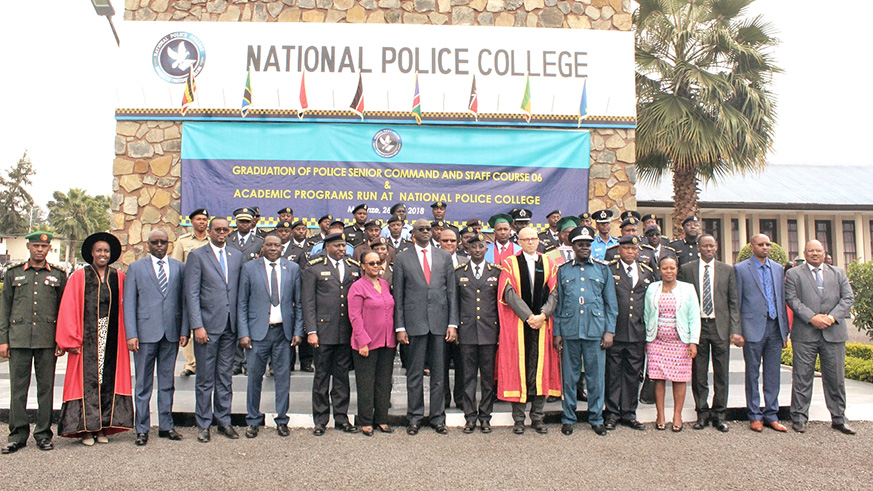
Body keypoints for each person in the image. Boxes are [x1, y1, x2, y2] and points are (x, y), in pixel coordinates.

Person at [56, 232, 133, 445]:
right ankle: (86, 429)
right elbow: (68, 308)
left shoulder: (119, 277)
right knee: (87, 383)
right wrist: (70, 339)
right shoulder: (79, 277)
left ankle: (103, 428)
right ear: (91, 253)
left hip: (111, 338)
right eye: (98, 250)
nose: (102, 254)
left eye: (106, 251)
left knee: (106, 381)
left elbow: (128, 308)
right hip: (86, 339)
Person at [0, 231, 67, 454]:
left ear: (49, 250)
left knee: (46, 389)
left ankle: (43, 434)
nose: (40, 250)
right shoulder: (13, 274)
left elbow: (63, 310)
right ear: (29, 247)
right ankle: (17, 435)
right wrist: (3, 340)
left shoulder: (58, 275)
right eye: (36, 246)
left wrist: (61, 340)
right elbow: (4, 309)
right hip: (18, 339)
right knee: (18, 389)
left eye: (44, 247)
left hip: (47, 340)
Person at [393, 218, 459, 435]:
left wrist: (452, 323)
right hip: (414, 324)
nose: (425, 232)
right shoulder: (402, 258)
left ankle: (438, 418)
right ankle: (414, 417)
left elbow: (451, 292)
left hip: (439, 323)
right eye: (420, 229)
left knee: (439, 374)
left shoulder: (444, 256)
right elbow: (399, 295)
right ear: (413, 233)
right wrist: (400, 327)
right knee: (414, 374)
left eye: (428, 229)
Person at [785, 240, 856, 434]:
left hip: (834, 333)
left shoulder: (838, 273)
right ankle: (799, 417)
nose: (815, 253)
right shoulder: (793, 274)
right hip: (805, 334)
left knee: (836, 378)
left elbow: (848, 298)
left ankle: (839, 418)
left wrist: (832, 317)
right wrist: (812, 318)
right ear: (804, 253)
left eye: (818, 250)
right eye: (811, 251)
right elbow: (792, 299)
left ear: (824, 253)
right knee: (802, 377)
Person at [123, 229, 187, 446]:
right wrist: (131, 334)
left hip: (170, 332)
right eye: (155, 242)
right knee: (143, 384)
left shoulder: (179, 268)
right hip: (144, 334)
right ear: (148, 244)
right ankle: (141, 428)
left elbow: (184, 301)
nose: (159, 245)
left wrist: (183, 330)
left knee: (167, 382)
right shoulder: (136, 268)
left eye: (163, 242)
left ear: (168, 244)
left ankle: (166, 425)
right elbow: (129, 303)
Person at [496, 227, 561, 435]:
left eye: (534, 239)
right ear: (520, 242)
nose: (531, 242)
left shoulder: (549, 263)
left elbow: (555, 293)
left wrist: (542, 315)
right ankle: (518, 419)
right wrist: (528, 317)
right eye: (526, 239)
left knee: (541, 370)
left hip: (542, 325)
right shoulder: (510, 263)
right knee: (520, 369)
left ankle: (538, 417)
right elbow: (508, 292)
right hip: (519, 325)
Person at [238, 234, 304, 438]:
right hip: (257, 334)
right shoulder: (250, 268)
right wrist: (244, 332)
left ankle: (282, 420)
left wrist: (297, 331)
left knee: (283, 378)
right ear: (263, 247)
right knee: (254, 378)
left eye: (277, 245)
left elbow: (299, 303)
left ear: (282, 248)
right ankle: (253, 420)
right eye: (269, 245)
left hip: (283, 333)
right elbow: (242, 303)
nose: (273, 248)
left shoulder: (292, 269)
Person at [553, 226, 618, 436]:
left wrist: (609, 331)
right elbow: (559, 304)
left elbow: (611, 304)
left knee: (595, 378)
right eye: (580, 244)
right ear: (573, 247)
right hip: (571, 330)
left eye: (588, 244)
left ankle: (596, 418)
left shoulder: (602, 269)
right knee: (570, 378)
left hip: (595, 331)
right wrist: (558, 332)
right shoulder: (563, 270)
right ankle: (568, 418)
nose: (584, 248)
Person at [184, 217, 243, 442]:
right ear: (209, 231)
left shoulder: (236, 256)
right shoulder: (197, 256)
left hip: (230, 326)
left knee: (225, 377)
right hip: (207, 328)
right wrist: (197, 325)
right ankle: (203, 424)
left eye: (225, 230)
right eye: (217, 229)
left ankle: (224, 421)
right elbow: (191, 294)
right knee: (205, 378)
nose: (221, 233)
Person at [678, 234, 740, 432]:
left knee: (721, 373)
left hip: (720, 327)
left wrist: (735, 330)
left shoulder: (727, 270)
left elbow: (733, 302)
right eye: (704, 246)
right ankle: (702, 413)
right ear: (698, 247)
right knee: (699, 373)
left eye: (711, 246)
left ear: (717, 247)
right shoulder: (687, 270)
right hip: (697, 328)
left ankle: (719, 414)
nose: (708, 249)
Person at [303, 233, 361, 436]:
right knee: (321, 377)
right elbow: (308, 302)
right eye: (337, 245)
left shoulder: (354, 267)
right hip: (323, 331)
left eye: (344, 245)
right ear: (327, 246)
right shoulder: (314, 267)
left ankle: (341, 417)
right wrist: (311, 331)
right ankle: (320, 420)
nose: (341, 249)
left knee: (342, 377)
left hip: (345, 331)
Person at [734, 234, 789, 432]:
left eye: (767, 244)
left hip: (775, 328)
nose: (765, 247)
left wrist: (784, 331)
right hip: (752, 328)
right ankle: (754, 414)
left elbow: (780, 300)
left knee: (773, 373)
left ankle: (771, 414)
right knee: (752, 373)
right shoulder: (741, 269)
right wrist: (737, 331)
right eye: (761, 244)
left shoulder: (776, 268)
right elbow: (737, 302)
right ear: (752, 246)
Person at [604, 235, 655, 431]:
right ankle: (612, 413)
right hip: (615, 332)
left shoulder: (647, 272)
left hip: (637, 332)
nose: (631, 252)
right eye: (626, 248)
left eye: (634, 249)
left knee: (633, 375)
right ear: (619, 250)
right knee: (613, 374)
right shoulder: (610, 271)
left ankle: (629, 413)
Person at [644, 255, 700, 432]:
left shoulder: (688, 289)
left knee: (679, 378)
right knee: (658, 378)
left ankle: (677, 415)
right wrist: (648, 337)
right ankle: (660, 414)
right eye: (665, 268)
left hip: (680, 342)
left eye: (672, 268)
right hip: (657, 341)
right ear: (659, 270)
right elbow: (647, 314)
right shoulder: (652, 288)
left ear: (677, 269)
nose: (669, 271)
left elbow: (694, 317)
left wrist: (693, 342)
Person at [454, 233, 501, 434]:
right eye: (474, 247)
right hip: (467, 332)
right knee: (468, 377)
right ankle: (470, 417)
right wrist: (454, 327)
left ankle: (485, 417)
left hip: (489, 332)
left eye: (481, 247)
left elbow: (500, 305)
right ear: (468, 249)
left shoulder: (497, 272)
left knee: (488, 379)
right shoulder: (458, 273)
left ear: (486, 249)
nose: (478, 250)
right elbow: (454, 303)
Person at [348, 251, 397, 437]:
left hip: (387, 341)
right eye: (371, 263)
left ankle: (382, 419)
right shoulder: (357, 287)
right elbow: (355, 316)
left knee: (384, 383)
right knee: (366, 383)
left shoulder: (385, 284)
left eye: (378, 263)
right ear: (363, 266)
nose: (375, 266)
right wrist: (362, 341)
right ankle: (366, 421)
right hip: (366, 342)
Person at [172, 207, 210, 377]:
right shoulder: (182, 241)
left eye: (204, 219)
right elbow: (176, 266)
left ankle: (205, 363)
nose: (201, 222)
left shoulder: (212, 240)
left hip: (208, 289)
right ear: (192, 221)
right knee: (190, 326)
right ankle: (191, 364)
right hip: (189, 288)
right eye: (198, 219)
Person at [228, 207, 264, 375]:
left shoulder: (259, 242)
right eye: (241, 221)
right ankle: (236, 361)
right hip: (233, 287)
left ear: (252, 223)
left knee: (252, 323)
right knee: (236, 323)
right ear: (236, 223)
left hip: (253, 288)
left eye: (247, 222)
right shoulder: (229, 240)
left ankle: (249, 362)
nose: (244, 224)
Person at [438, 227, 467, 409]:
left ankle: (462, 399)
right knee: (440, 364)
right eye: (445, 241)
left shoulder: (466, 261)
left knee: (462, 364)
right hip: (439, 321)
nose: (449, 244)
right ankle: (443, 400)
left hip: (463, 322)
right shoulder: (432, 260)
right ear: (438, 242)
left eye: (453, 241)